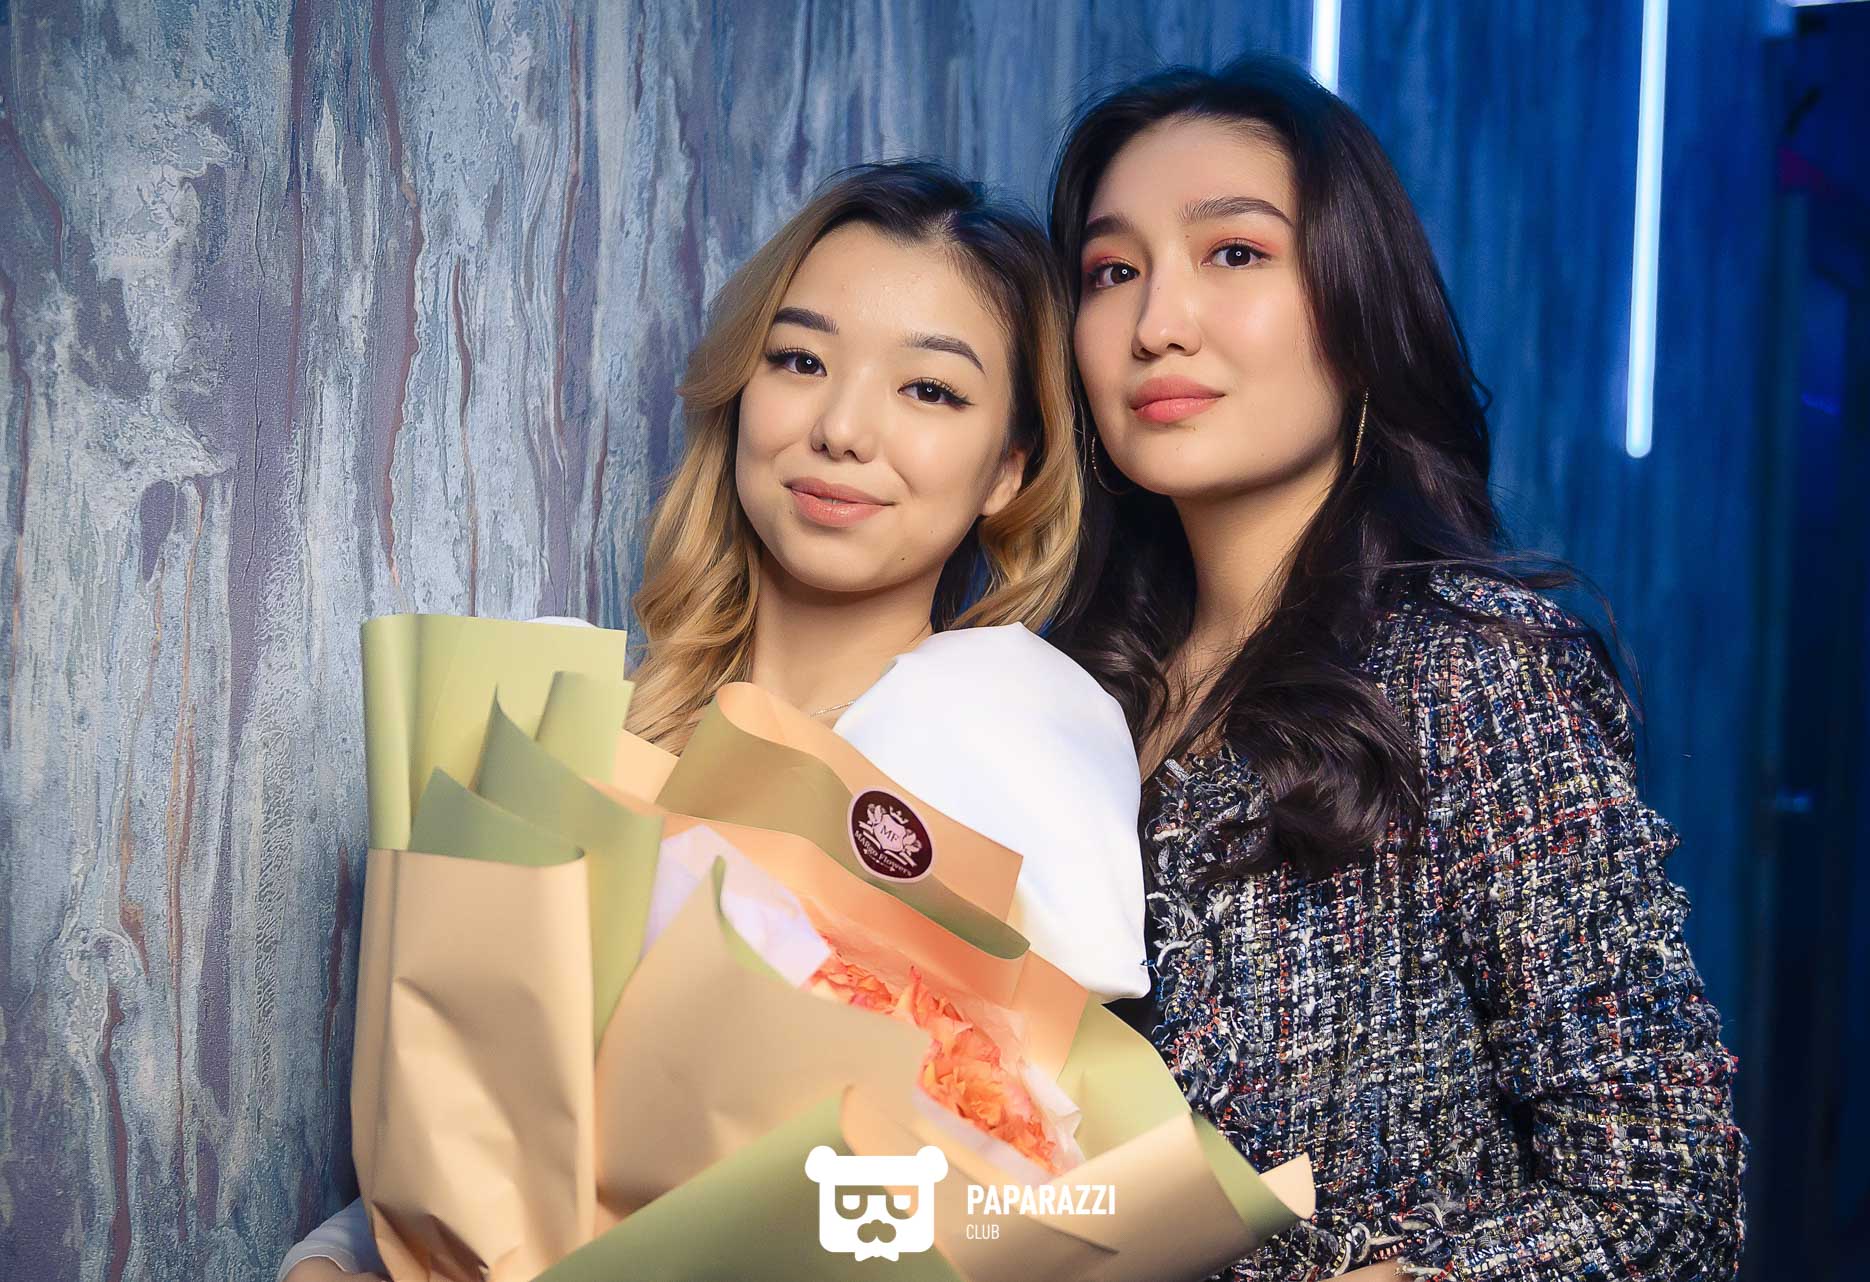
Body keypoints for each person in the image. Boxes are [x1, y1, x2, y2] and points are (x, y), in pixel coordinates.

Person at [283, 160, 1147, 1282]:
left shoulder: (1015, 744)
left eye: (929, 391)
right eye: (800, 360)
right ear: (741, 392)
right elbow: (456, 1143)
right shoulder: (576, 740)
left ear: (1007, 470)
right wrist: (330, 1260)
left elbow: (1045, 1199)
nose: (843, 428)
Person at [1049, 58, 1745, 1279]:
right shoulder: (1067, 692)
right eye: (1114, 271)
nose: (1157, 322)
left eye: (1234, 253)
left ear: (1361, 314)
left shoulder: (1472, 673)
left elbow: (1668, 1194)